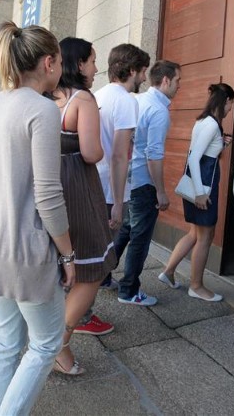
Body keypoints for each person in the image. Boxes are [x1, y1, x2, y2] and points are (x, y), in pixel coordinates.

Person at [0, 22, 75, 415]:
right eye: (60, 61)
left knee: (5, 341)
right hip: (25, 248)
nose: (61, 69)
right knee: (47, 343)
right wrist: (67, 255)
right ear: (48, 62)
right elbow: (48, 195)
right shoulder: (44, 109)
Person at [52, 37, 117, 374]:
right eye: (92, 60)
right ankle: (58, 344)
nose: (96, 67)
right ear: (78, 64)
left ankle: (49, 339)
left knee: (62, 263)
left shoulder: (47, 97)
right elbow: (92, 152)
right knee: (91, 268)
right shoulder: (83, 99)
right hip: (77, 185)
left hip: (49, 185)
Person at [158, 83, 234, 301]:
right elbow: (194, 157)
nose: (230, 109)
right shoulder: (211, 124)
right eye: (231, 104)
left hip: (199, 184)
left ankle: (169, 271)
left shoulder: (205, 121)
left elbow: (204, 152)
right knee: (205, 236)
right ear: (226, 100)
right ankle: (197, 286)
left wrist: (222, 144)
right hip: (203, 187)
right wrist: (201, 194)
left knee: (195, 233)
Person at [118, 60, 181, 300]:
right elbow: (154, 155)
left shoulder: (138, 100)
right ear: (165, 80)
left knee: (126, 230)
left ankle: (103, 276)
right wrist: (161, 191)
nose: (179, 86)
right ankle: (129, 289)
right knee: (140, 238)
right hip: (143, 183)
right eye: (177, 81)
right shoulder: (158, 110)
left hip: (129, 179)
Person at [94, 43, 151, 304]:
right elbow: (120, 155)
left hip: (94, 183)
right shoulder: (126, 100)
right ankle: (81, 315)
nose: (145, 78)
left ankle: (81, 311)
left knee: (92, 251)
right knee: (99, 253)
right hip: (109, 189)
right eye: (143, 71)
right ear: (131, 70)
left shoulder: (97, 95)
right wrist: (118, 203)